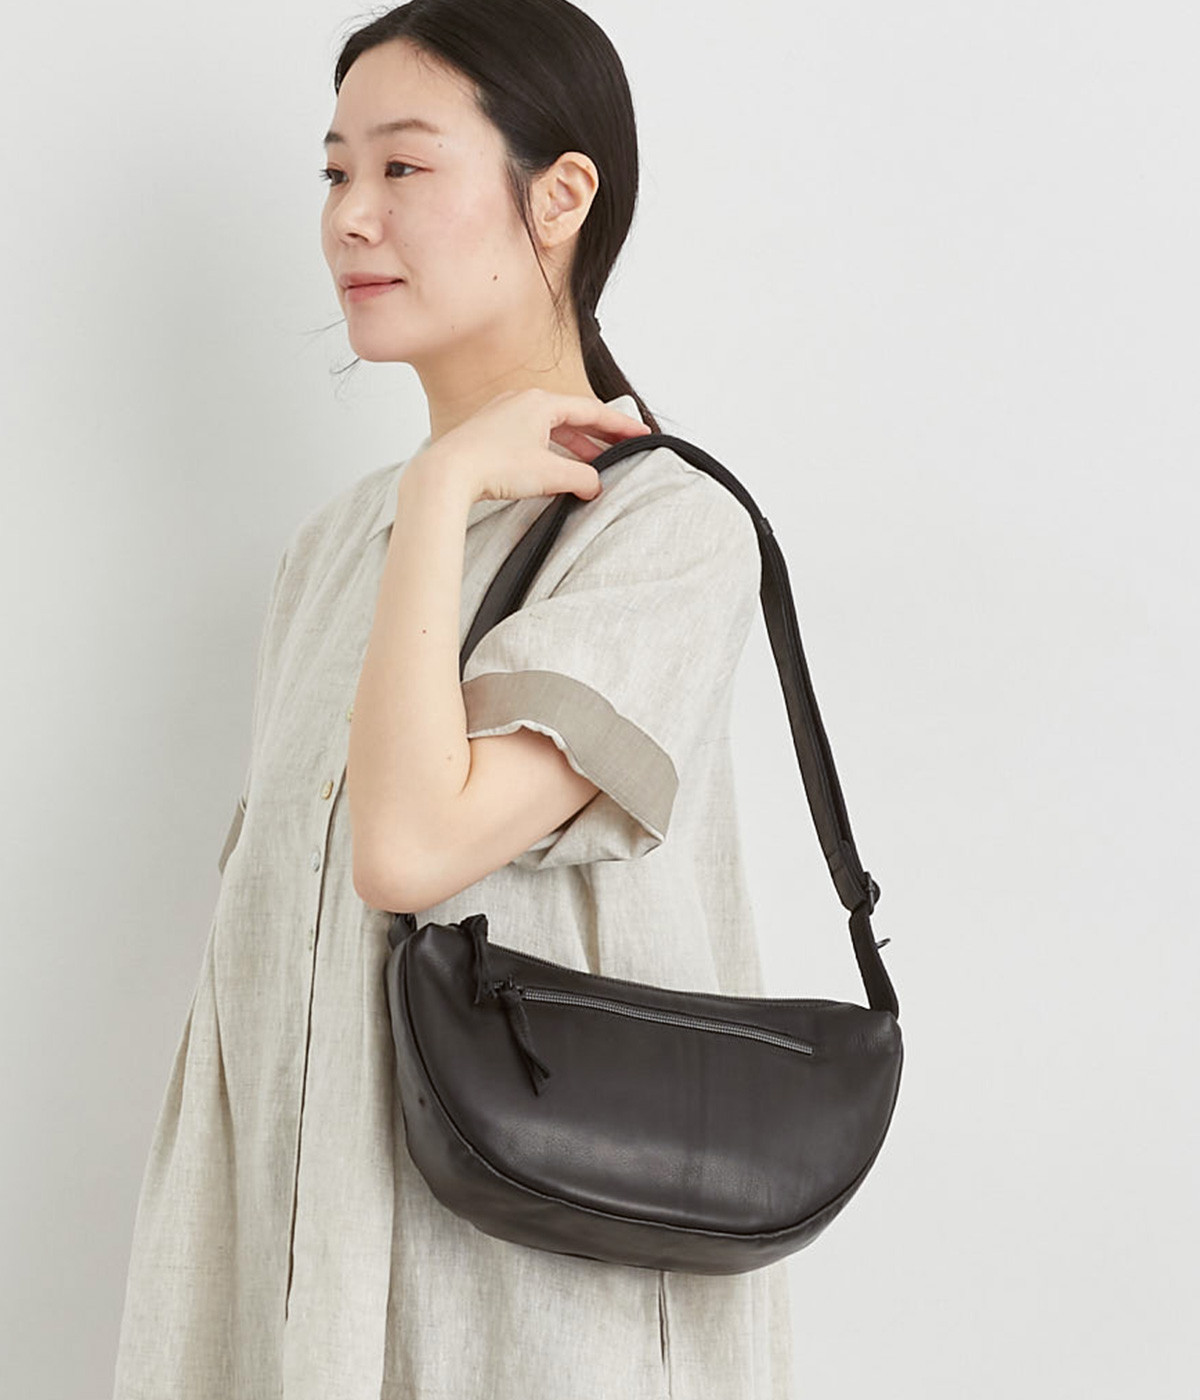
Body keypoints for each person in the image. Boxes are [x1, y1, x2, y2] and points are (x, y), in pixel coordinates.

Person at [111, 2, 795, 1397]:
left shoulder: (665, 531)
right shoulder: (330, 553)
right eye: (334, 172)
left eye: (404, 167)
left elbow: (412, 848)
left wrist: (438, 493)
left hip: (531, 1311)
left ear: (561, 197)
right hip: (299, 1284)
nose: (350, 218)